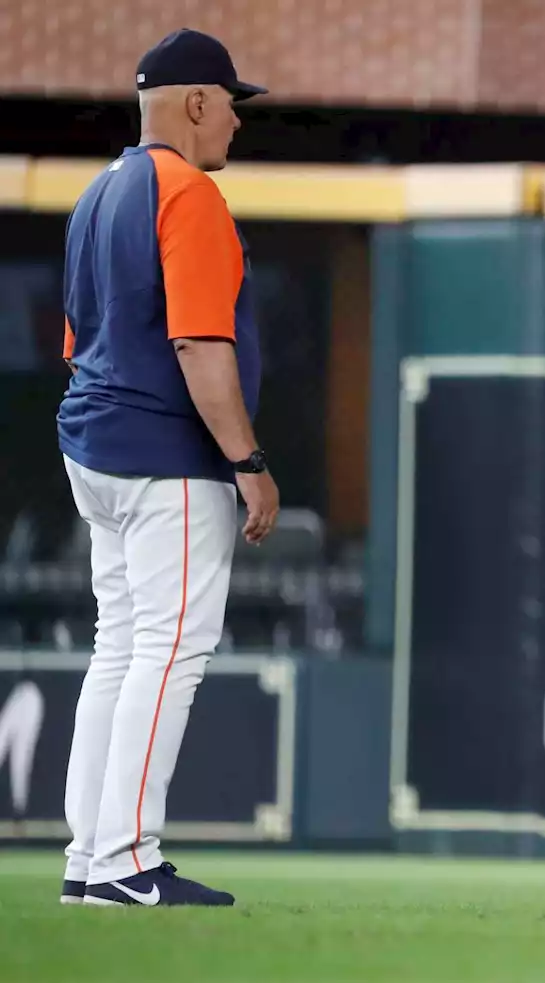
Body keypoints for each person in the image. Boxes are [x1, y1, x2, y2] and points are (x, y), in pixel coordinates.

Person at [57, 28, 278, 907]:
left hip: (96, 447)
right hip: (165, 455)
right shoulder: (185, 191)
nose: (235, 118)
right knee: (170, 648)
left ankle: (88, 856)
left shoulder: (97, 192)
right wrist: (247, 460)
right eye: (231, 101)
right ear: (194, 101)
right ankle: (127, 861)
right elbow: (197, 339)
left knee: (120, 647)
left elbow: (76, 344)